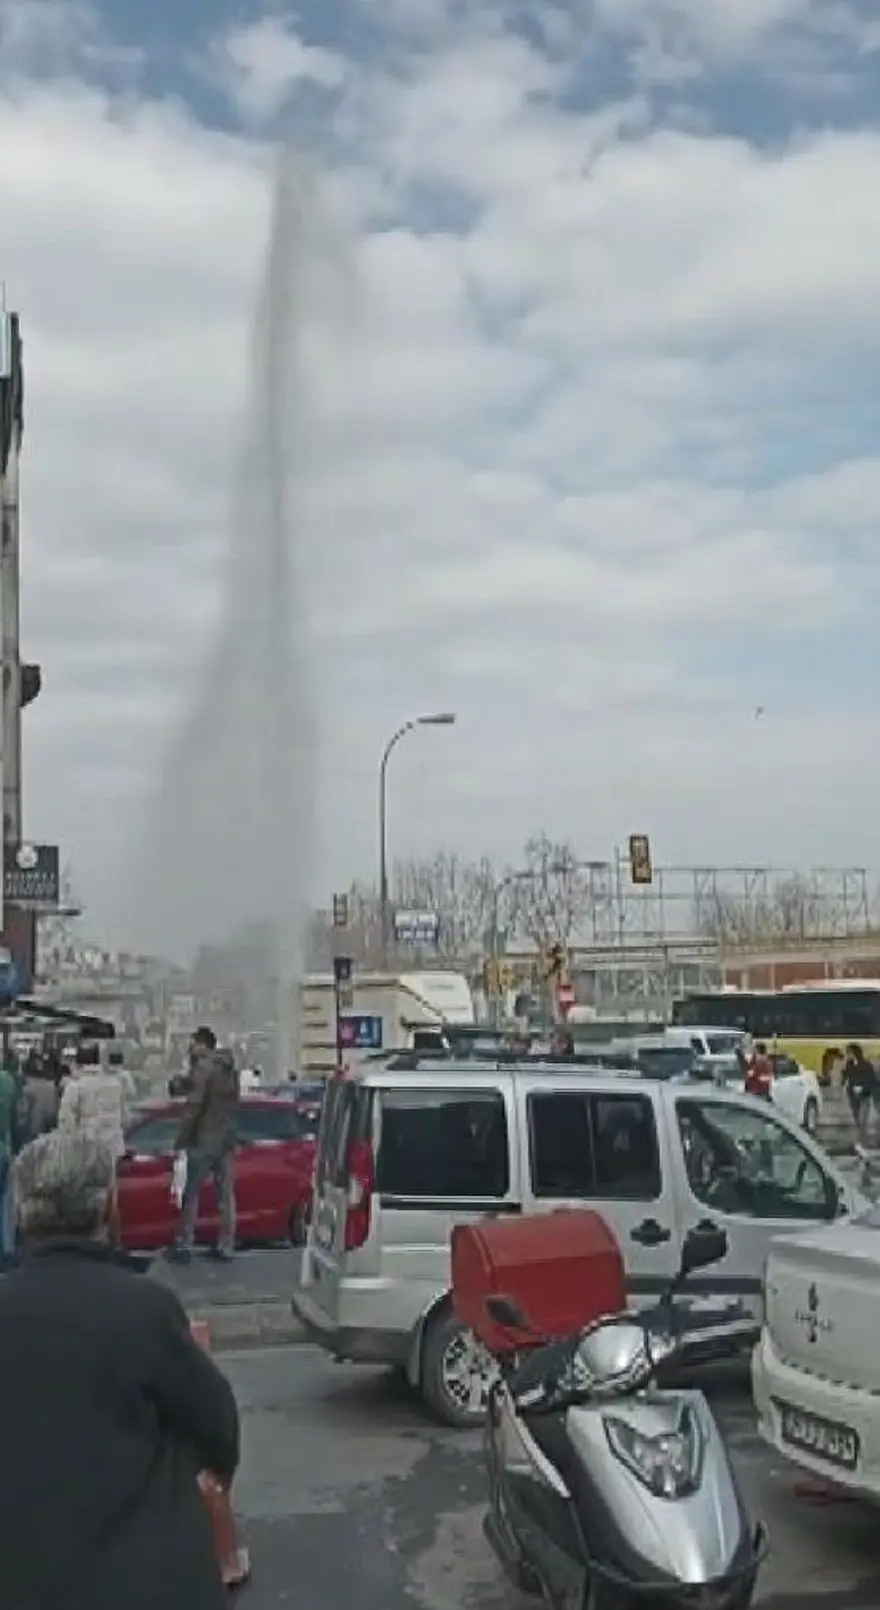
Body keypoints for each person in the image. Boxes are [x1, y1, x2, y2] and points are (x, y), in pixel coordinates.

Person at [0, 1130, 239, 1610]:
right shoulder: (143, 1309)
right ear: (109, 1208)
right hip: (148, 1583)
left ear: (19, 1215)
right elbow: (217, 1431)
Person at [171, 1027, 239, 1263]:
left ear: (203, 1044)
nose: (190, 1049)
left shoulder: (203, 1067)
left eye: (193, 1044)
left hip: (204, 1139)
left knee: (191, 1193)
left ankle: (184, 1243)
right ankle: (226, 1244)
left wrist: (182, 1139)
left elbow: (194, 1107)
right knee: (225, 1195)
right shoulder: (228, 1068)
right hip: (226, 1138)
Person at [58, 1043, 127, 1163]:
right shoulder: (116, 1083)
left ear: (77, 1063)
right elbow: (124, 1117)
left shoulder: (75, 1086)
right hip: (113, 1149)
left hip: (87, 1149)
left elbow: (66, 1120)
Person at [843, 1043, 878, 1142]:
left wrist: (862, 1088)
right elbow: (847, 1076)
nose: (847, 1055)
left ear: (854, 1053)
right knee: (857, 1117)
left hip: (864, 1095)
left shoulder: (867, 1065)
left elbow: (872, 1081)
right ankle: (862, 1138)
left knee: (863, 1119)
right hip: (853, 1096)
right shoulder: (849, 1064)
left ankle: (863, 1140)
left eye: (848, 1052)